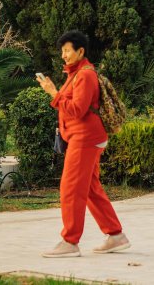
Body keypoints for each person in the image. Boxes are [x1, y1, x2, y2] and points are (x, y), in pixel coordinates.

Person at [36, 30, 130, 257]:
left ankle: (70, 242)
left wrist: (53, 93)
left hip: (85, 138)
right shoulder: (75, 74)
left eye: (67, 50)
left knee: (70, 188)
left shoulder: (85, 75)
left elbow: (77, 110)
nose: (63, 55)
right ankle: (116, 235)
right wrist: (57, 92)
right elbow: (72, 103)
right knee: (89, 189)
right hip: (83, 137)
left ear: (80, 51)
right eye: (62, 51)